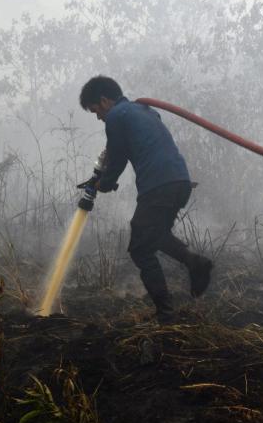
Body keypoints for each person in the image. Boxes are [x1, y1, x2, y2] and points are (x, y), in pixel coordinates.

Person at [79, 76, 212, 324]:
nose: (98, 118)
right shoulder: (144, 110)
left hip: (158, 186)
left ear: (105, 100)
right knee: (156, 235)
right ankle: (196, 263)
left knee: (140, 248)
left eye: (96, 111)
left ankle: (166, 314)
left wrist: (103, 184)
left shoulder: (117, 117)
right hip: (179, 182)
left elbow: (116, 159)